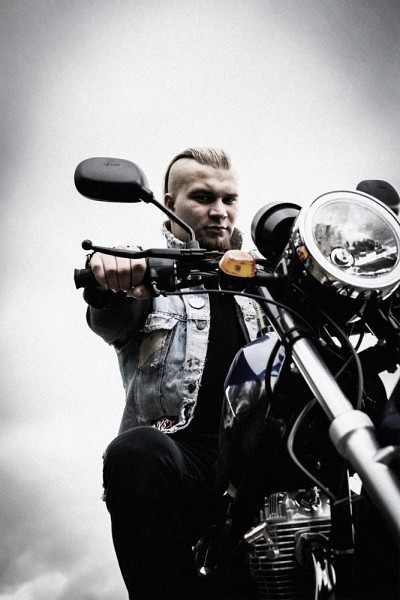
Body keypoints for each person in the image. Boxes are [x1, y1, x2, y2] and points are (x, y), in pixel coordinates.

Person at [83, 147, 263, 599]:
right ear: (169, 203)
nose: (219, 211)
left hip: (266, 455)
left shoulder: (268, 280)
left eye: (229, 199)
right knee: (136, 452)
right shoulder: (149, 277)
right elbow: (110, 318)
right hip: (185, 462)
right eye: (203, 197)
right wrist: (112, 278)